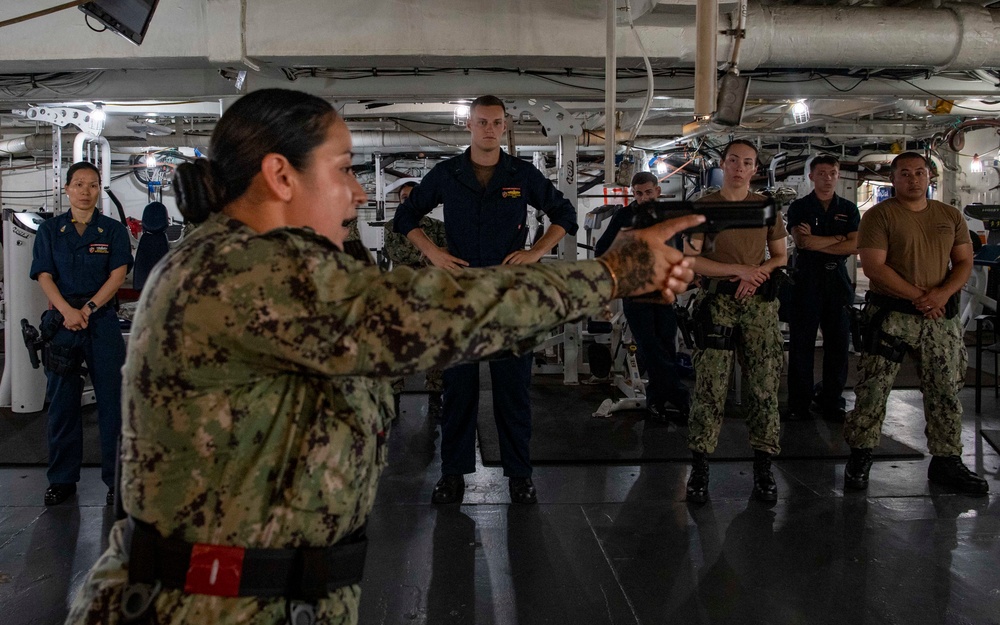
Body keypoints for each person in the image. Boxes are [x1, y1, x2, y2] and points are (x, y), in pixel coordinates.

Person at [65, 88, 701, 625]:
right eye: (343, 169)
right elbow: (431, 312)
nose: (359, 194)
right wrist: (610, 275)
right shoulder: (248, 271)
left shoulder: (242, 260)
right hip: (215, 604)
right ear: (281, 176)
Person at [394, 95, 579, 506]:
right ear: (469, 126)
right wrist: (433, 253)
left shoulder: (522, 175)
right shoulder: (447, 174)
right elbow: (404, 218)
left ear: (505, 125)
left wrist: (536, 252)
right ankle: (453, 475)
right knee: (458, 391)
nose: (489, 129)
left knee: (512, 391)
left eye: (496, 122)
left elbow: (565, 214)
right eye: (481, 122)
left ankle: (519, 475)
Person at [843, 152, 988, 495]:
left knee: (946, 391)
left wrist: (941, 295)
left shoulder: (949, 215)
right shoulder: (879, 216)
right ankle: (860, 456)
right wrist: (920, 297)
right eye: (905, 174)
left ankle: (947, 461)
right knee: (873, 389)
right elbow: (875, 267)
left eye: (919, 173)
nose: (913, 179)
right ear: (893, 180)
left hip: (940, 319)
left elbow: (965, 262)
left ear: (929, 178)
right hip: (892, 316)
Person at [684, 139, 788, 503]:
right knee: (710, 388)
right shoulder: (703, 207)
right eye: (733, 161)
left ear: (754, 169)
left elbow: (779, 257)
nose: (739, 168)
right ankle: (699, 468)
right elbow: (693, 260)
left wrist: (756, 274)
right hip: (717, 303)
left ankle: (763, 467)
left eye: (747, 163)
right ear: (723, 164)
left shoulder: (766, 208)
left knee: (763, 387)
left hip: (759, 305)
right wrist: (738, 271)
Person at [29, 161, 133, 507]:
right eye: (79, 184)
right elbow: (44, 275)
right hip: (62, 323)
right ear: (67, 189)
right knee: (62, 404)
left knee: (112, 404)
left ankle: (116, 481)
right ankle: (61, 479)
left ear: (99, 189)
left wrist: (87, 309)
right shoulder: (50, 231)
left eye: (92, 185)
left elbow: (117, 274)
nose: (85, 191)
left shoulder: (113, 231)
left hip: (100, 321)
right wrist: (67, 312)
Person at [594, 170, 690, 421]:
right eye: (639, 193)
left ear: (658, 191)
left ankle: (656, 402)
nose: (644, 197)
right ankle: (680, 396)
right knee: (650, 346)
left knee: (667, 347)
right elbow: (602, 249)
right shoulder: (624, 217)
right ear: (632, 194)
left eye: (649, 192)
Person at [786, 155, 860, 421]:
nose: (827, 177)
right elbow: (802, 243)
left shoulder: (849, 209)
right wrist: (838, 238)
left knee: (838, 344)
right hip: (807, 279)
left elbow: (855, 245)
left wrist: (819, 240)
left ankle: (831, 401)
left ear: (838, 176)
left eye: (832, 173)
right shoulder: (800, 208)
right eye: (822, 173)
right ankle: (799, 403)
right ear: (811, 177)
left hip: (837, 280)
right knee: (801, 344)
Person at [382, 181, 447, 416]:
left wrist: (432, 254)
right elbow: (395, 252)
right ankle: (394, 397)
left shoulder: (437, 227)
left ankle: (434, 396)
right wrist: (430, 253)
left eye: (411, 196)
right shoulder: (393, 226)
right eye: (403, 197)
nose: (406, 200)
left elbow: (447, 252)